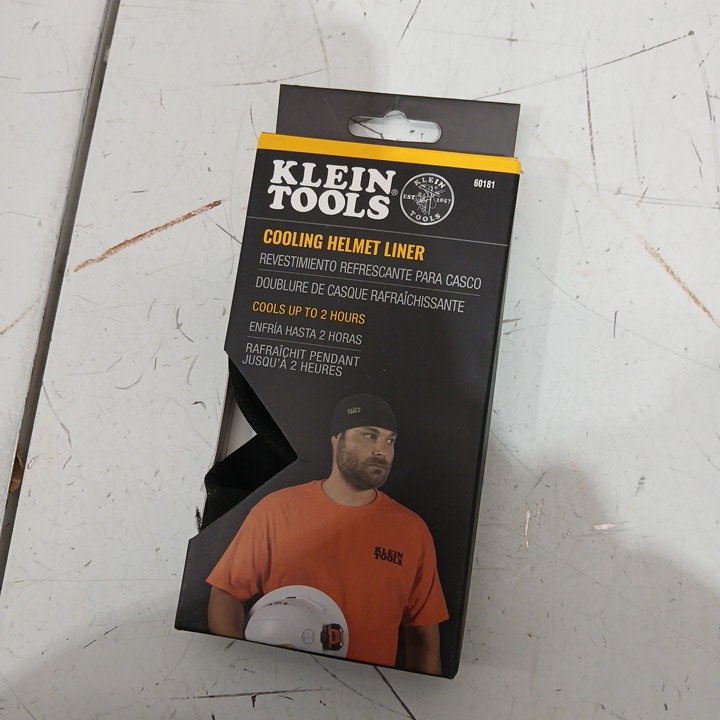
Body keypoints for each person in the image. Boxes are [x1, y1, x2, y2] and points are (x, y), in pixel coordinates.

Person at [206, 393, 448, 674]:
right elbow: (225, 594)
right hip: (280, 682)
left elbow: (423, 637)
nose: (382, 450)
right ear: (336, 440)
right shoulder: (276, 510)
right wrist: (240, 669)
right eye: (370, 436)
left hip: (367, 694)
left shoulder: (412, 531)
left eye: (390, 441)